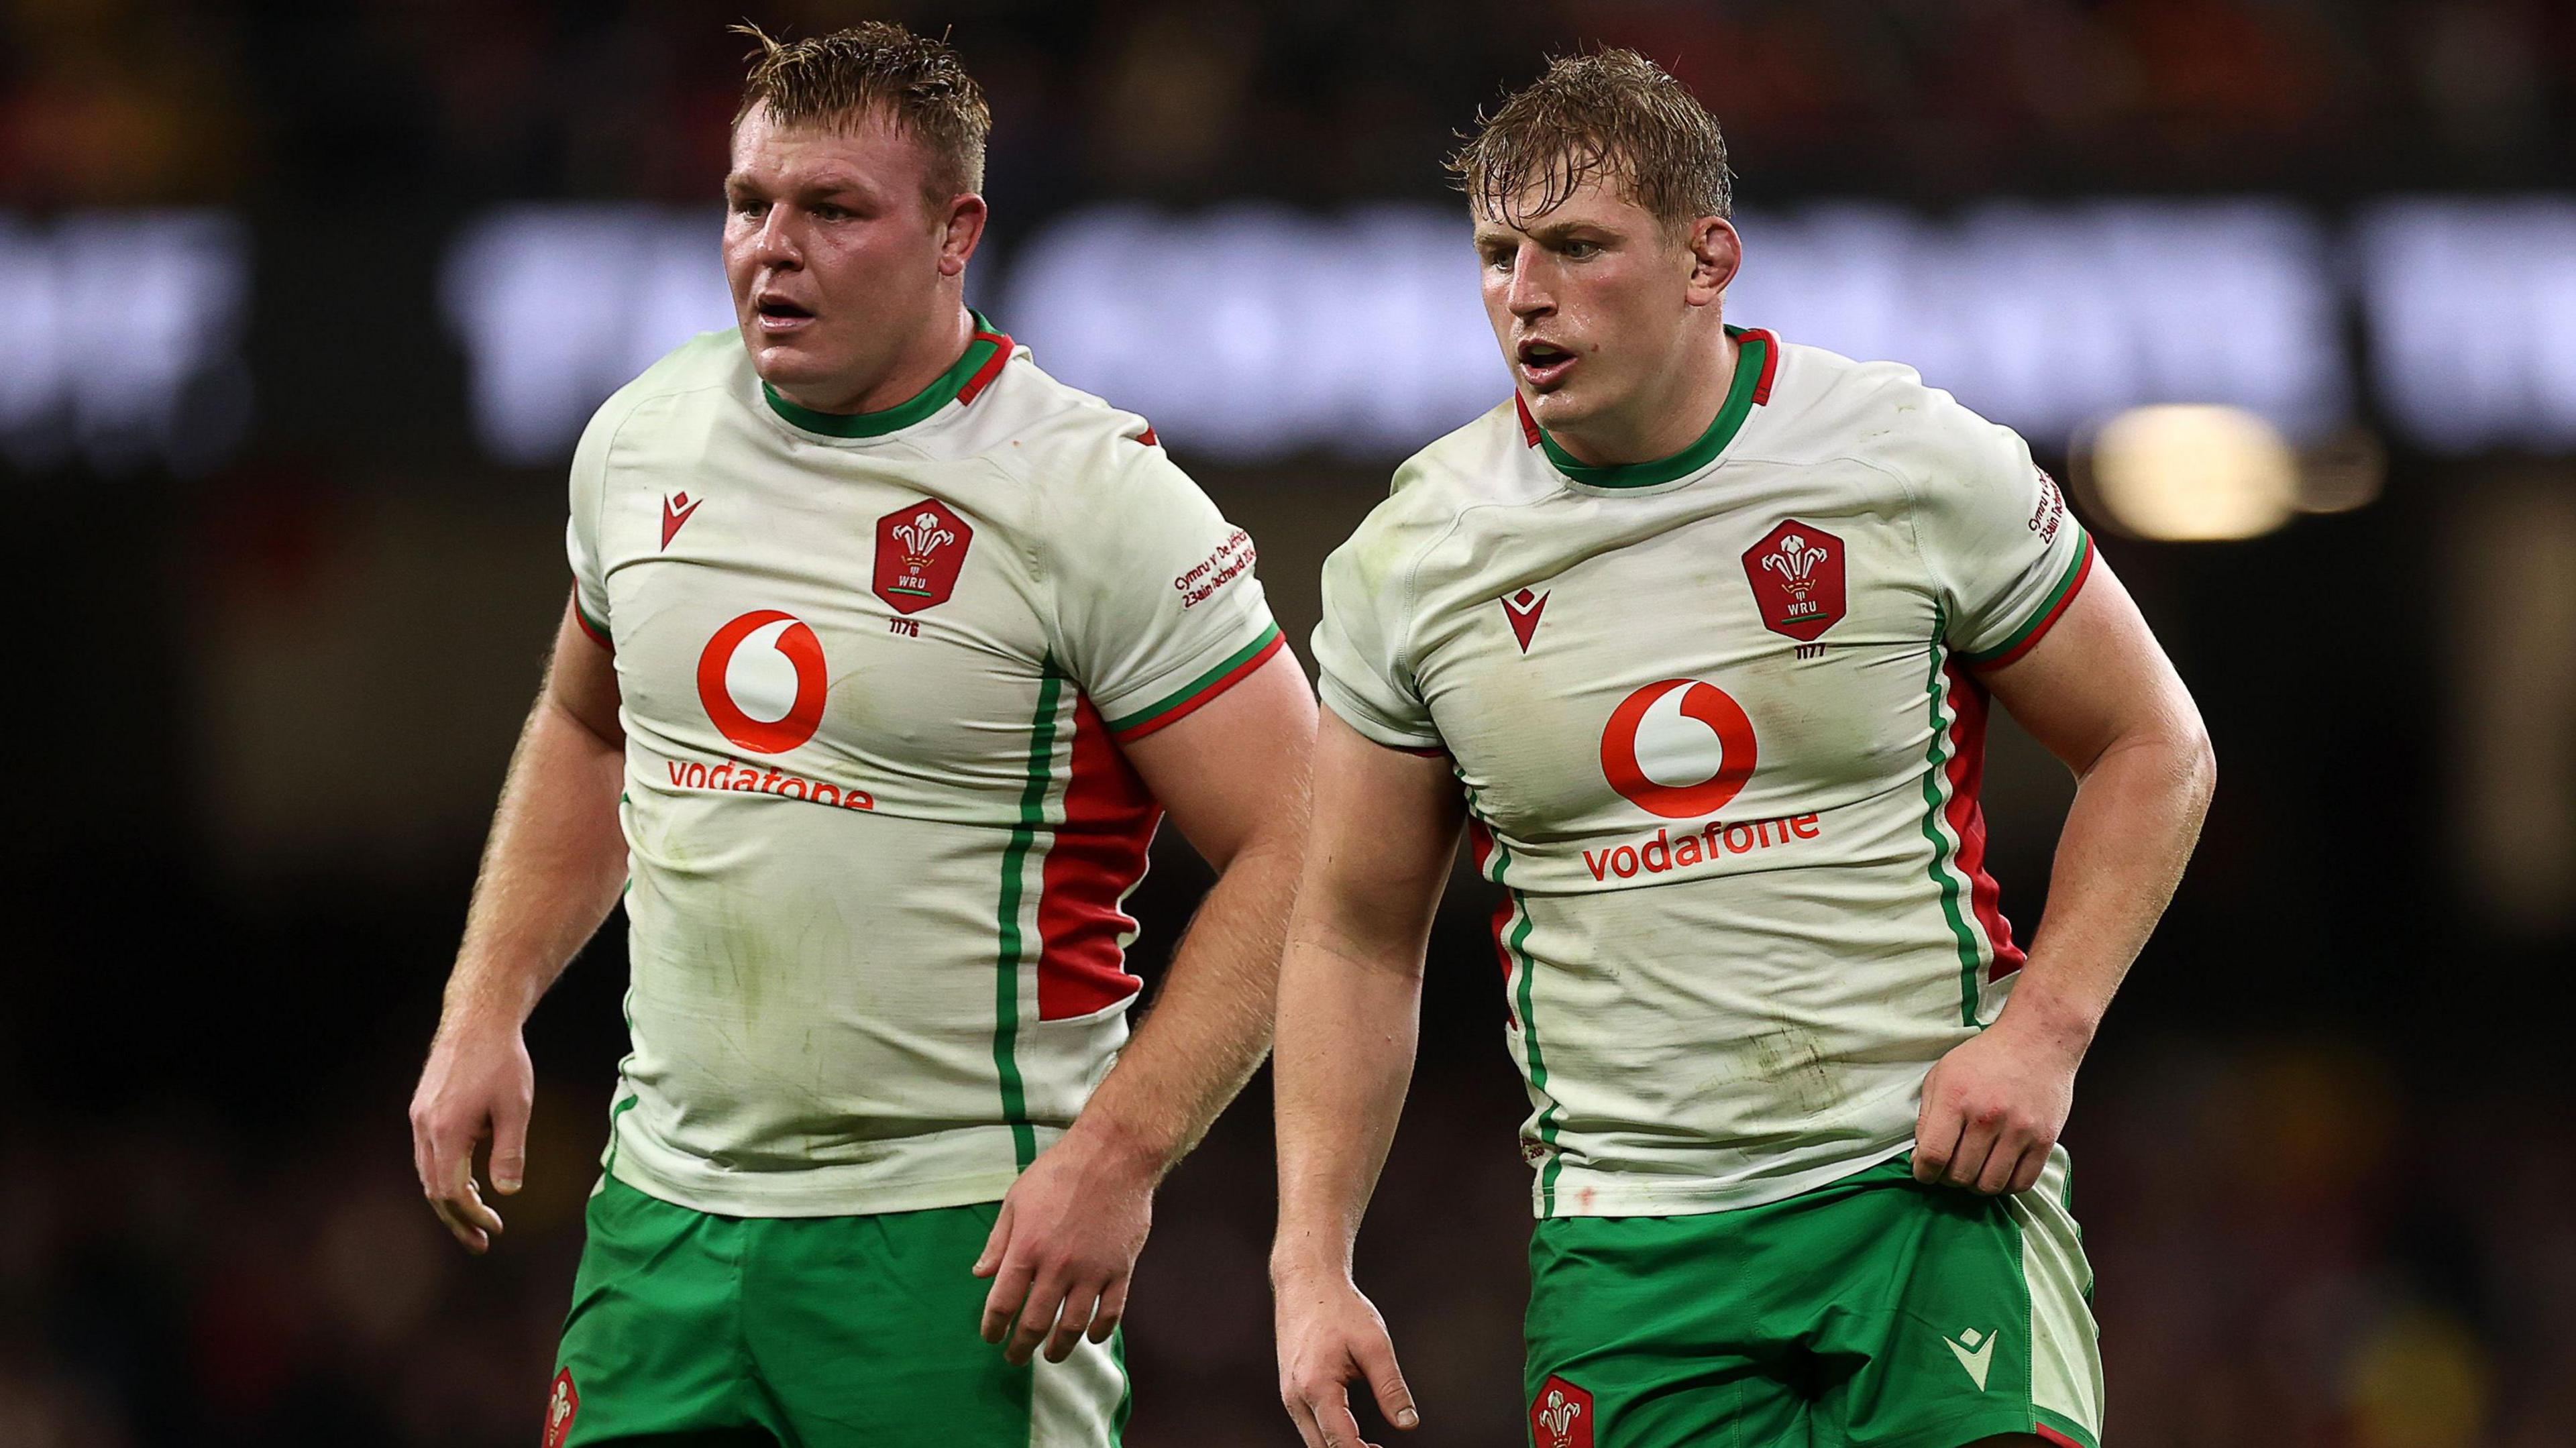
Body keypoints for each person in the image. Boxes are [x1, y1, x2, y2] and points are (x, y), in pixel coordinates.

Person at [1272, 50, 2213, 1448]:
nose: (1524, 294)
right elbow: (1353, 933)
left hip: (1924, 1196)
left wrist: (2044, 1032)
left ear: (1706, 258)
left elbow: (2155, 743)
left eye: (1577, 248)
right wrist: (1311, 1257)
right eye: (1495, 254)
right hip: (1634, 1253)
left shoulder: (1905, 458)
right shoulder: (1415, 560)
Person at [406, 22, 1314, 1447]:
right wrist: (485, 1008)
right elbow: (588, 727)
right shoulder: (643, 439)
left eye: (833, 210)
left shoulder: (1088, 496)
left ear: (958, 232)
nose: (775, 246)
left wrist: (1120, 1158)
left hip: (957, 1240)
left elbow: (1305, 839)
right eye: (748, 202)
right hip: (665, 1223)